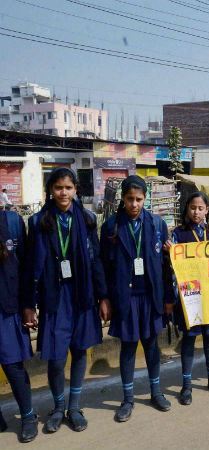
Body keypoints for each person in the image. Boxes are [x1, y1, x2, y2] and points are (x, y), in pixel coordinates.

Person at [23, 167, 109, 433]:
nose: (63, 192)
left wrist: (103, 296)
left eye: (68, 187)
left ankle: (74, 407)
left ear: (75, 190)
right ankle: (58, 407)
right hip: (54, 297)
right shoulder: (39, 222)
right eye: (58, 187)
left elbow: (96, 261)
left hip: (81, 295)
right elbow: (30, 265)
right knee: (57, 358)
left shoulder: (86, 219)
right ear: (50, 190)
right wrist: (28, 303)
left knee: (80, 351)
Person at [100, 175, 173, 422]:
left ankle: (155, 391)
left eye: (139, 199)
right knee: (129, 347)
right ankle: (128, 398)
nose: (134, 204)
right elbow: (104, 267)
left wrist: (168, 297)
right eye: (129, 199)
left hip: (151, 296)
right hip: (126, 297)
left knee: (152, 345)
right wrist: (105, 298)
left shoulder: (157, 224)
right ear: (122, 198)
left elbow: (165, 266)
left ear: (145, 199)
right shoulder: (111, 226)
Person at [165, 191, 209, 403]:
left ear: (207, 210)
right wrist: (171, 252)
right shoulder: (179, 234)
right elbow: (173, 268)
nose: (196, 212)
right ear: (187, 209)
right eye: (193, 208)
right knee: (189, 339)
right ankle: (187, 385)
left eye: (201, 208)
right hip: (189, 294)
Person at [0, 208, 38, 442]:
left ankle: (28, 416)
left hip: (7, 308)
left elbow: (26, 269)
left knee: (13, 366)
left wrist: (29, 305)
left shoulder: (11, 221)